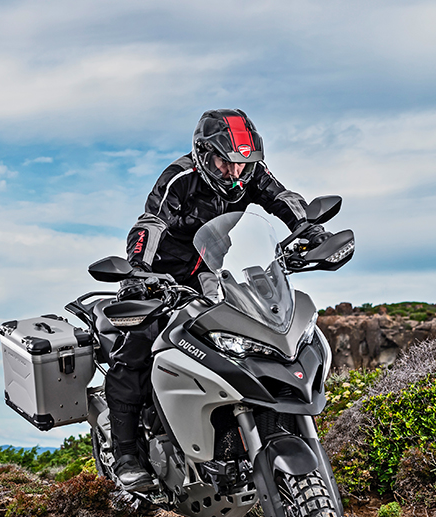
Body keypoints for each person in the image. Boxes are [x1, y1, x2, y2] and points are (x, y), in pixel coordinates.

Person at [105, 108, 330, 491]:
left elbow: (281, 197)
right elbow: (150, 224)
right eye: (226, 163)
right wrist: (139, 271)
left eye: (242, 164)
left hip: (210, 273)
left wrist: (308, 228)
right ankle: (126, 454)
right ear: (204, 154)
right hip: (161, 278)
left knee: (248, 335)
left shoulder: (249, 172)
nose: (235, 172)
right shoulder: (180, 178)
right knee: (136, 350)